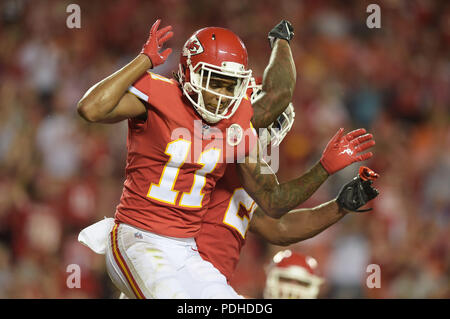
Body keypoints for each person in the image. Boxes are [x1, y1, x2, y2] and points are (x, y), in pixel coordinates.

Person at [77, 19, 375, 298]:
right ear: (191, 72)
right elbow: (91, 109)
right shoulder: (161, 93)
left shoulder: (236, 126)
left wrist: (328, 179)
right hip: (138, 237)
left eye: (230, 86)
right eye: (215, 81)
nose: (221, 95)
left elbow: (275, 205)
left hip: (185, 252)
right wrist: (143, 61)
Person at [196, 80, 380, 286]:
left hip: (204, 279)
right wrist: (324, 168)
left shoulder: (239, 171)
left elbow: (279, 228)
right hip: (185, 272)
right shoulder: (217, 154)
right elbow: (276, 203)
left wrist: (339, 206)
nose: (265, 132)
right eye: (262, 122)